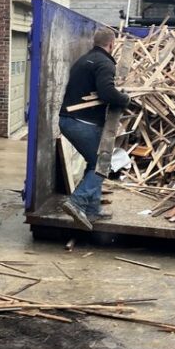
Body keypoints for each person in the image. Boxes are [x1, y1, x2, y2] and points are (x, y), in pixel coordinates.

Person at [58, 26, 130, 229]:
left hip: (68, 120)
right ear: (112, 44)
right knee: (102, 164)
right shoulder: (105, 63)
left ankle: (91, 211)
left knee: (94, 163)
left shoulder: (84, 60)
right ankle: (77, 202)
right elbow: (107, 93)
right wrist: (124, 99)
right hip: (82, 123)